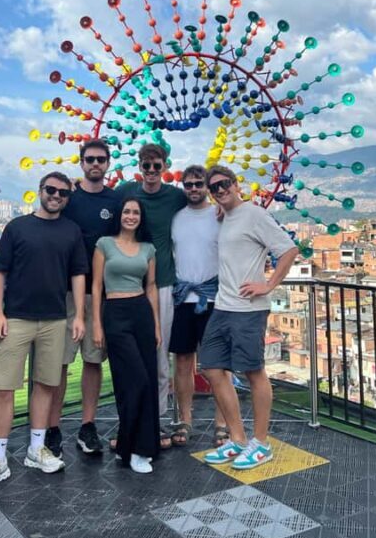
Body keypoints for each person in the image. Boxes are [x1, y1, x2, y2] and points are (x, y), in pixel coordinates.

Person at [0, 173, 88, 491]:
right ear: (40, 192)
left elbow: (78, 274)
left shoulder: (71, 231)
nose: (56, 196)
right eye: (51, 190)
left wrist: (78, 315)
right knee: (5, 389)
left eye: (63, 193)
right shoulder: (17, 227)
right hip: (17, 318)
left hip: (54, 320)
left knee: (46, 385)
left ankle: (36, 449)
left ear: (68, 198)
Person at [199, 165, 298, 470]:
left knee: (253, 372)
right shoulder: (225, 216)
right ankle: (238, 438)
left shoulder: (254, 214)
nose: (220, 190)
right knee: (213, 368)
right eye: (213, 187)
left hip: (249, 309)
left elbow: (289, 249)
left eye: (224, 184)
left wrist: (268, 284)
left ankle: (262, 442)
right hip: (223, 306)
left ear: (235, 183)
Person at [47, 139, 121, 457]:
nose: (95, 164)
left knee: (93, 361)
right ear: (81, 162)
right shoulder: (68, 198)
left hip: (99, 294)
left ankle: (88, 425)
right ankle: (52, 427)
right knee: (60, 363)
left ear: (108, 163)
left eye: (100, 159)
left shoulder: (115, 201)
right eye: (89, 159)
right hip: (64, 293)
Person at [117, 144, 186, 432]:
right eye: (147, 166)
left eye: (157, 166)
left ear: (165, 166)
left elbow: (201, 207)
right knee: (130, 356)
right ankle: (133, 420)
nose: (152, 172)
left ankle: (156, 420)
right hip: (128, 286)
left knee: (159, 355)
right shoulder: (127, 193)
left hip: (162, 285)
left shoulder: (175, 197)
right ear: (140, 167)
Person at [92, 197, 161, 473]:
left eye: (135, 212)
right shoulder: (104, 244)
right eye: (126, 211)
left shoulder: (148, 248)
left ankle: (136, 449)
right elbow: (96, 286)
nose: (131, 216)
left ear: (141, 217)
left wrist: (156, 324)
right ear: (119, 215)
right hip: (115, 313)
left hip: (141, 312)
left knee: (148, 380)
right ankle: (131, 447)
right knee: (133, 381)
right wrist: (97, 324)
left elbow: (152, 286)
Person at [169, 165, 229, 447]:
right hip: (182, 299)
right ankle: (185, 419)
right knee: (182, 362)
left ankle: (222, 421)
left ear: (207, 186)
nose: (193, 189)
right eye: (188, 184)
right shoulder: (176, 218)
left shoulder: (220, 215)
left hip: (214, 299)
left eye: (198, 184)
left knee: (217, 363)